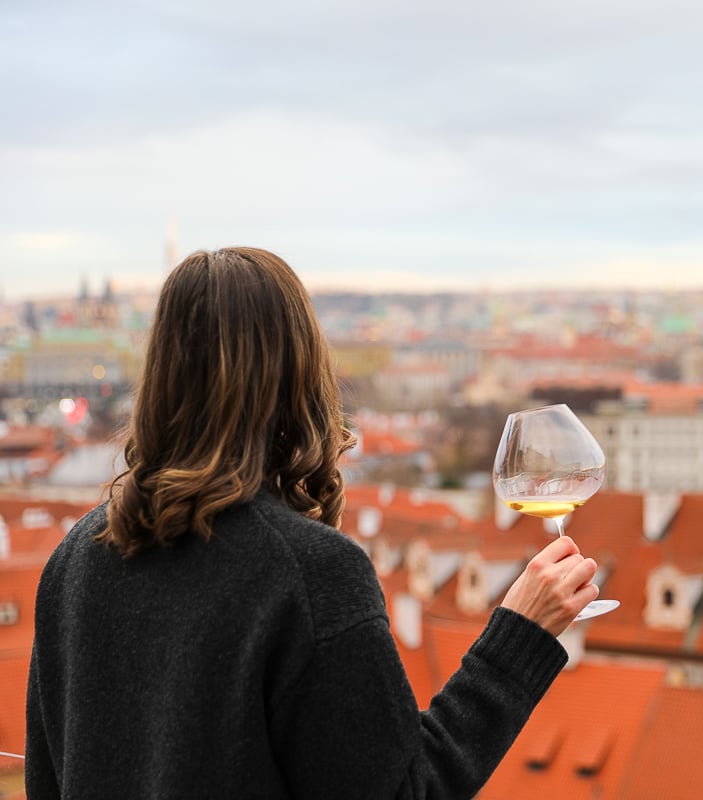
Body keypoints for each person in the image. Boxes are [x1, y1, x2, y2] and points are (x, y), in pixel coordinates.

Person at [25, 247, 601, 799]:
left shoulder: (76, 559)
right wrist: (519, 637)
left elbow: (47, 784)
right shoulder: (308, 572)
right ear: (299, 374)